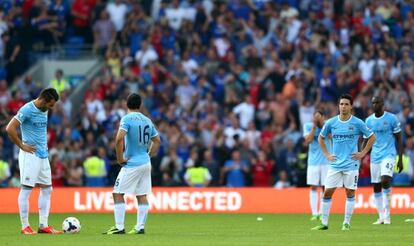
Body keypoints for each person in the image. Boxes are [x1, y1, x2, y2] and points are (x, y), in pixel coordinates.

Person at [312, 94, 376, 231]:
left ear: (351, 106)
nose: (343, 106)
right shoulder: (331, 122)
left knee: (350, 193)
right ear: (338, 105)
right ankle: (324, 223)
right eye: (341, 104)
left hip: (351, 164)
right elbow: (321, 138)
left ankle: (346, 223)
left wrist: (363, 153)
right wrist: (327, 154)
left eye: (346, 104)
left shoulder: (357, 122)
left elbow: (372, 137)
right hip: (335, 164)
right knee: (327, 192)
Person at [5, 88, 62, 234]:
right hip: (30, 155)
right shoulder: (27, 109)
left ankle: (43, 225)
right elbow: (10, 128)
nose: (51, 108)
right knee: (26, 190)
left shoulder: (45, 109)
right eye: (50, 105)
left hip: (43, 155)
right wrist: (21, 145)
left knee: (47, 189)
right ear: (44, 100)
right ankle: (25, 226)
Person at [104, 93, 161, 234]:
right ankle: (140, 227)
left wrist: (119, 158)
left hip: (132, 163)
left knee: (117, 193)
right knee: (142, 195)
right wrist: (149, 155)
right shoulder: (147, 120)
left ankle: (119, 227)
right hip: (145, 163)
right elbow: (157, 140)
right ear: (140, 105)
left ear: (126, 104)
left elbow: (118, 139)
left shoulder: (127, 119)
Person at [365, 96, 403, 225]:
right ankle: (381, 216)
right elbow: (366, 139)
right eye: (373, 103)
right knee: (376, 186)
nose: (374, 105)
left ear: (382, 104)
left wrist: (400, 159)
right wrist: (362, 155)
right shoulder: (369, 121)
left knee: (385, 180)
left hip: (389, 154)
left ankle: (387, 216)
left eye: (377, 102)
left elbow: (399, 138)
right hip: (375, 156)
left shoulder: (392, 118)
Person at [303, 111, 330, 221]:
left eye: (319, 117)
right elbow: (307, 140)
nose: (317, 119)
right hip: (313, 162)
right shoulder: (308, 126)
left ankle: (322, 212)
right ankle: (314, 213)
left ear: (323, 117)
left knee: (325, 187)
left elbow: (331, 137)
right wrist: (314, 127)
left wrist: (322, 125)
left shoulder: (328, 124)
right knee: (313, 186)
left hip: (326, 161)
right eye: (315, 117)